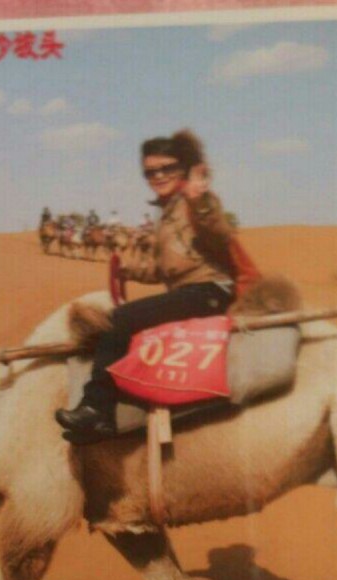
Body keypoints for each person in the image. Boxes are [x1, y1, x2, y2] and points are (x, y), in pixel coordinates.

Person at [55, 129, 238, 444]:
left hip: (210, 292)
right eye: (151, 171)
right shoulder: (167, 213)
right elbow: (167, 267)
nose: (159, 176)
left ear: (182, 168)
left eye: (167, 168)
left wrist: (201, 201)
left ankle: (96, 407)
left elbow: (218, 232)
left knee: (119, 319)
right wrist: (128, 270)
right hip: (190, 292)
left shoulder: (195, 202)